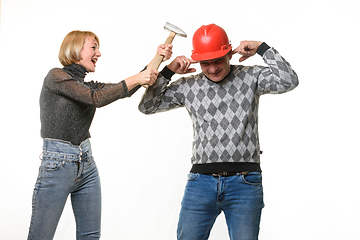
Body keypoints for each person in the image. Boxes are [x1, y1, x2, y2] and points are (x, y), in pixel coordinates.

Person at [138, 24, 299, 240]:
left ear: (228, 54)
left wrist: (262, 48)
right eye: (206, 63)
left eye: (217, 61)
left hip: (245, 183)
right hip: (200, 183)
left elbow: (289, 80)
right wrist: (168, 71)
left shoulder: (251, 77)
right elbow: (147, 106)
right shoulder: (189, 86)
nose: (213, 69)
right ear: (197, 61)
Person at [27, 30, 172, 240]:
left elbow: (125, 89)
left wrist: (157, 57)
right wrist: (138, 78)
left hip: (86, 164)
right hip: (57, 165)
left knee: (90, 236)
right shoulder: (56, 77)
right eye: (93, 47)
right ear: (75, 50)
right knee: (41, 236)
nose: (99, 53)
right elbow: (97, 98)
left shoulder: (84, 84)